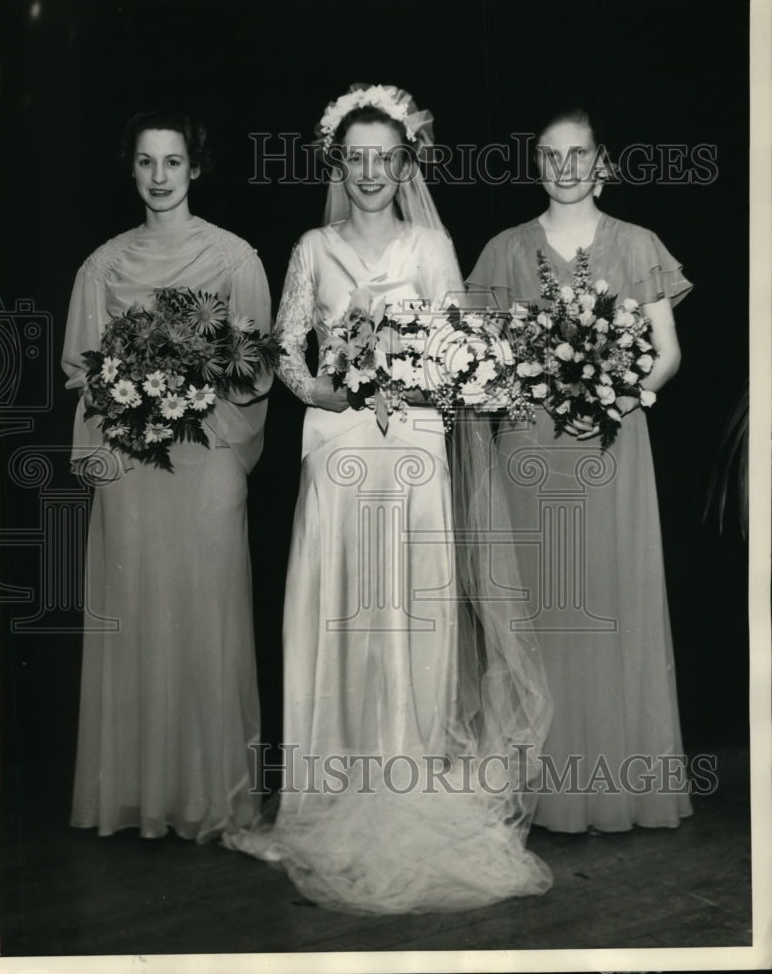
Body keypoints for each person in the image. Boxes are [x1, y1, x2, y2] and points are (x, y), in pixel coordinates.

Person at [222, 84, 553, 915]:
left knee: (410, 610)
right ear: (340, 163)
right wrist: (323, 392)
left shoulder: (431, 248)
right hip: (337, 447)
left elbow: (454, 349)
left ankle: (410, 772)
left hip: (410, 446)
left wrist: (419, 378)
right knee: (338, 609)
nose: (370, 172)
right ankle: (327, 790)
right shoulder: (311, 247)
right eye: (356, 158)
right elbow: (286, 350)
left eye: (385, 158)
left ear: (406, 165)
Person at [466, 106, 693, 833]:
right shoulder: (503, 250)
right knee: (543, 608)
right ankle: (539, 788)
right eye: (548, 154)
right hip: (528, 451)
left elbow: (667, 350)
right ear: (535, 163)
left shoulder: (636, 244)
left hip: (610, 443)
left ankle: (618, 784)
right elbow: (479, 359)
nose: (564, 167)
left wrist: (628, 393)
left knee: (609, 600)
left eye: (577, 153)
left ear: (602, 161)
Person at [63, 111, 272, 843]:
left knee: (207, 617)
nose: (159, 178)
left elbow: (254, 371)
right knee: (140, 613)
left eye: (173, 163)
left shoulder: (235, 259)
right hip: (133, 467)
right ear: (132, 170)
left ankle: (212, 798)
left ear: (194, 168)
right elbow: (83, 372)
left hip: (206, 458)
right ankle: (139, 797)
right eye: (147, 163)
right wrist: (134, 394)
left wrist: (194, 385)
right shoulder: (103, 265)